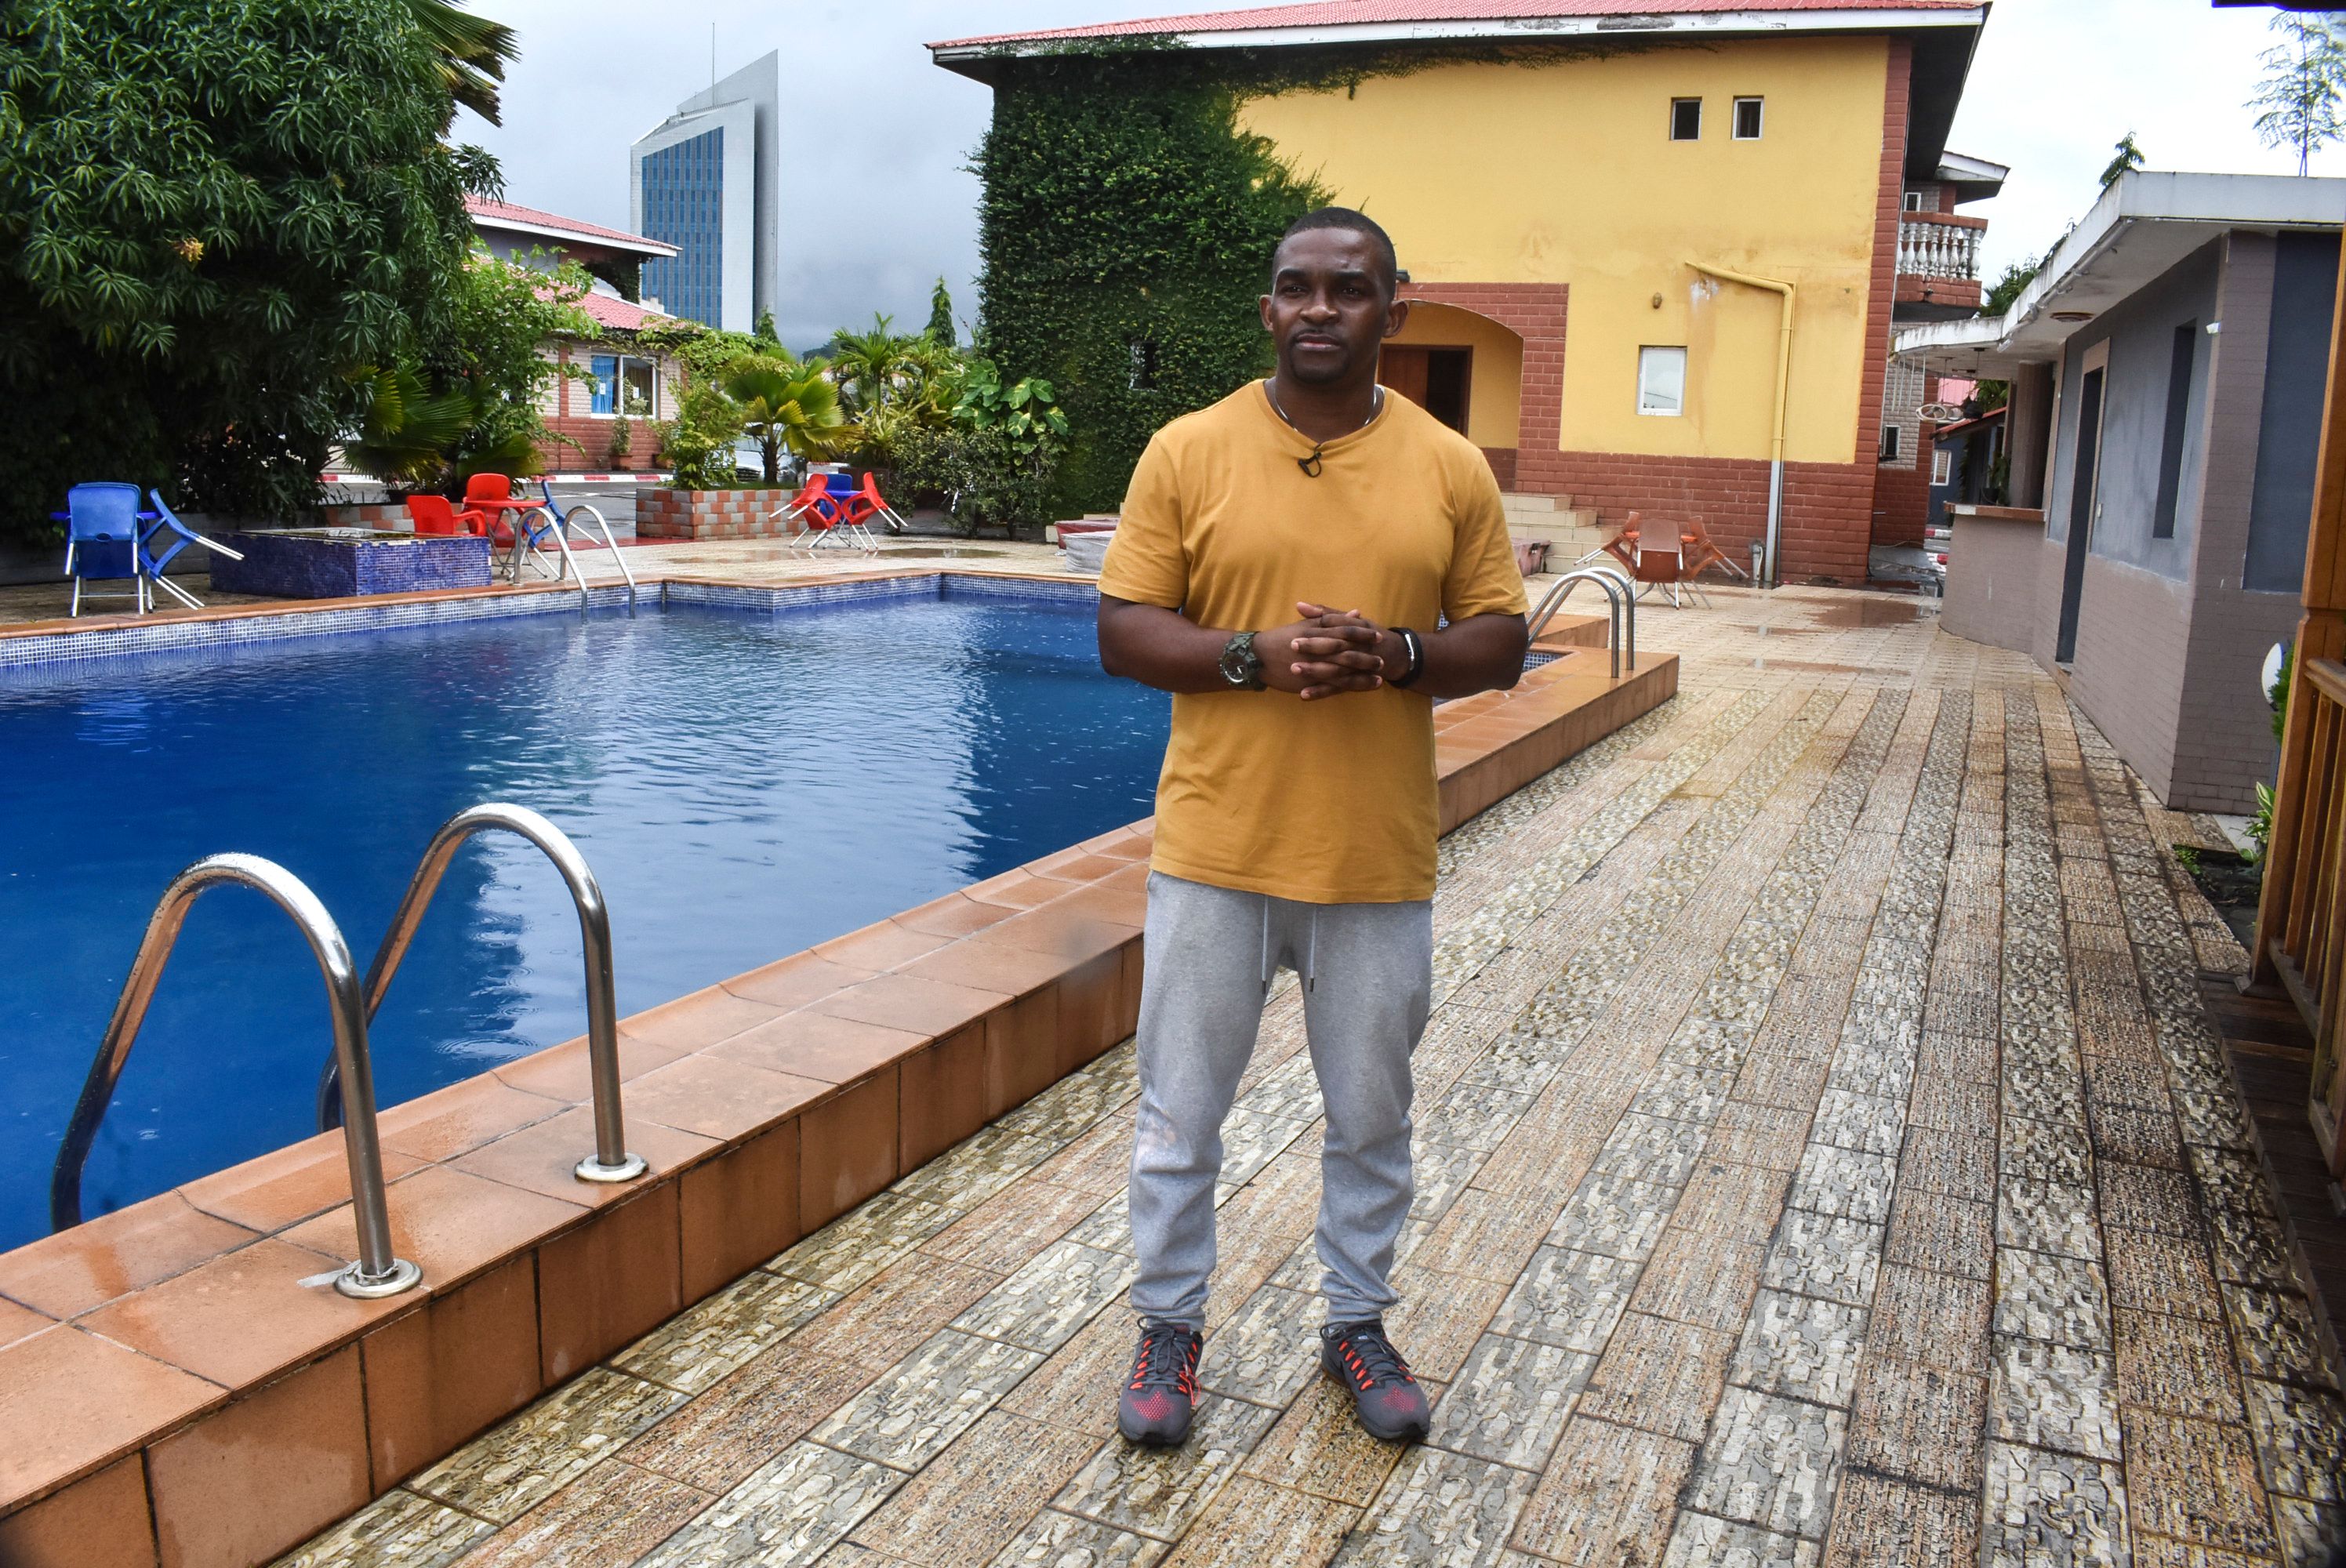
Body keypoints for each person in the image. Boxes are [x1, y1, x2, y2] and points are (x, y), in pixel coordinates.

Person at [1095, 206, 1531, 1446]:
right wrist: (1253, 655)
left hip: (1373, 859)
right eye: (1298, 287)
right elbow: (1125, 630)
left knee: (1373, 1118)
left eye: (1350, 288)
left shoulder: (1450, 466)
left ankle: (1356, 1323)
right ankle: (1169, 1329)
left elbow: (1500, 639)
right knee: (1181, 1119)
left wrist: (1397, 654)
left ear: (1396, 308)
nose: (1321, 308)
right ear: (1269, 308)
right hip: (1216, 855)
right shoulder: (1188, 450)